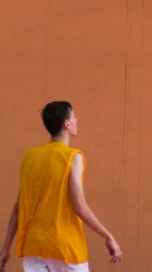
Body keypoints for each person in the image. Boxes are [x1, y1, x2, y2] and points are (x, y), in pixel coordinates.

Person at [0, 101, 122, 272]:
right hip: (66, 247)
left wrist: (5, 248)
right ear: (66, 124)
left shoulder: (30, 157)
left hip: (34, 246)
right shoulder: (73, 157)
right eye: (74, 117)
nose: (76, 120)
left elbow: (18, 207)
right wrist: (108, 236)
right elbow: (79, 207)